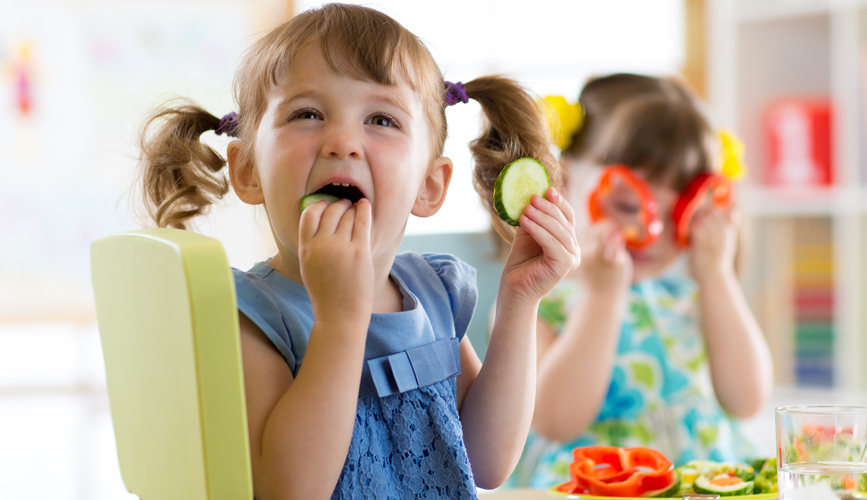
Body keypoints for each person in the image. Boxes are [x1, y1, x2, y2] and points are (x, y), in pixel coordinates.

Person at [134, 4, 580, 499]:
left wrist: (520, 301)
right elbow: (289, 491)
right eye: (307, 114)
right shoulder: (250, 317)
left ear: (429, 187)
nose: (342, 141)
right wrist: (340, 320)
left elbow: (487, 461)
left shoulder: (433, 295)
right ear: (247, 171)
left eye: (382, 119)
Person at [521, 73, 773, 488]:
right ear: (563, 179)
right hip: (600, 487)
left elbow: (747, 400)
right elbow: (553, 420)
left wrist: (718, 277)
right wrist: (602, 295)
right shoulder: (538, 296)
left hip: (703, 484)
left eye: (678, 216)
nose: (651, 232)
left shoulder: (695, 294)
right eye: (625, 204)